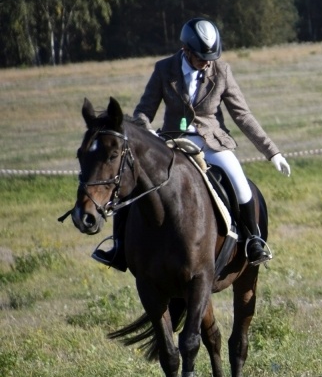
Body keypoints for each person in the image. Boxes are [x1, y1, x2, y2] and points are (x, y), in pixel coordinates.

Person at [93, 17, 290, 271]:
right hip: (172, 143)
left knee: (241, 185)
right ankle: (118, 247)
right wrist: (146, 130)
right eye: (200, 57)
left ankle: (253, 240)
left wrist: (272, 152)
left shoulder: (221, 71)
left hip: (212, 143)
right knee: (131, 184)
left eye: (210, 57)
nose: (206, 62)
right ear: (185, 50)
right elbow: (143, 111)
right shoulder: (164, 70)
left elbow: (242, 115)